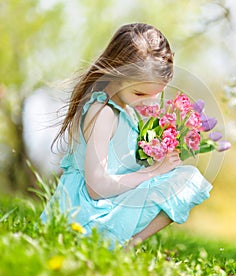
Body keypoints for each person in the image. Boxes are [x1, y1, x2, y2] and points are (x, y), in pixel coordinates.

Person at [41, 23, 212, 247]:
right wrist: (153, 172)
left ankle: (131, 243)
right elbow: (96, 188)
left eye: (156, 93)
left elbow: (120, 172)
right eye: (139, 93)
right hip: (84, 217)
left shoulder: (125, 111)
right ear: (115, 74)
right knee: (185, 180)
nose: (149, 101)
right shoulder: (102, 113)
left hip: (105, 207)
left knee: (188, 180)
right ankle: (122, 243)